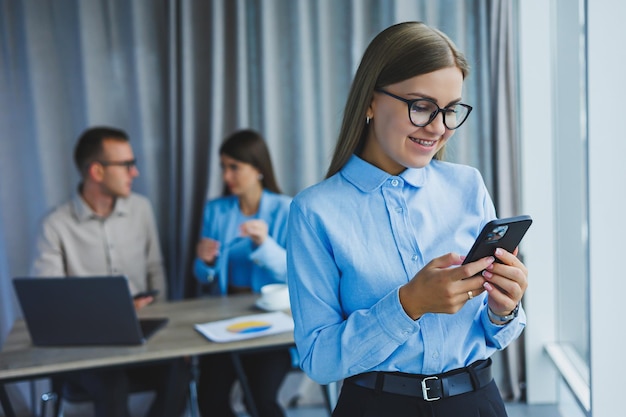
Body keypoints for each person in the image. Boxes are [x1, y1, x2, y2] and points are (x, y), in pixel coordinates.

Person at [286, 21, 527, 417]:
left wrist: (505, 309)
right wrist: (407, 304)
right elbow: (318, 360)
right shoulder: (315, 212)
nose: (438, 128)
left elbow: (494, 330)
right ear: (369, 100)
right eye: (421, 106)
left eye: (450, 111)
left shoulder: (468, 186)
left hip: (477, 403)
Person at [31, 126, 189, 417]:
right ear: (97, 171)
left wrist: (163, 324)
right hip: (88, 349)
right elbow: (47, 304)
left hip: (144, 336)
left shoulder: (141, 209)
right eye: (127, 165)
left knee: (180, 372)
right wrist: (112, 311)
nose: (135, 173)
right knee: (110, 383)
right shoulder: (54, 225)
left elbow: (156, 270)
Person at [193, 129, 293, 417]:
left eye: (234, 167)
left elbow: (296, 274)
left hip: (273, 322)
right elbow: (202, 277)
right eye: (223, 167)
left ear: (258, 168)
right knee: (210, 400)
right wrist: (205, 262)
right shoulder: (216, 211)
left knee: (260, 400)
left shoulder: (285, 209)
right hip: (224, 320)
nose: (226, 176)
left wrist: (265, 245)